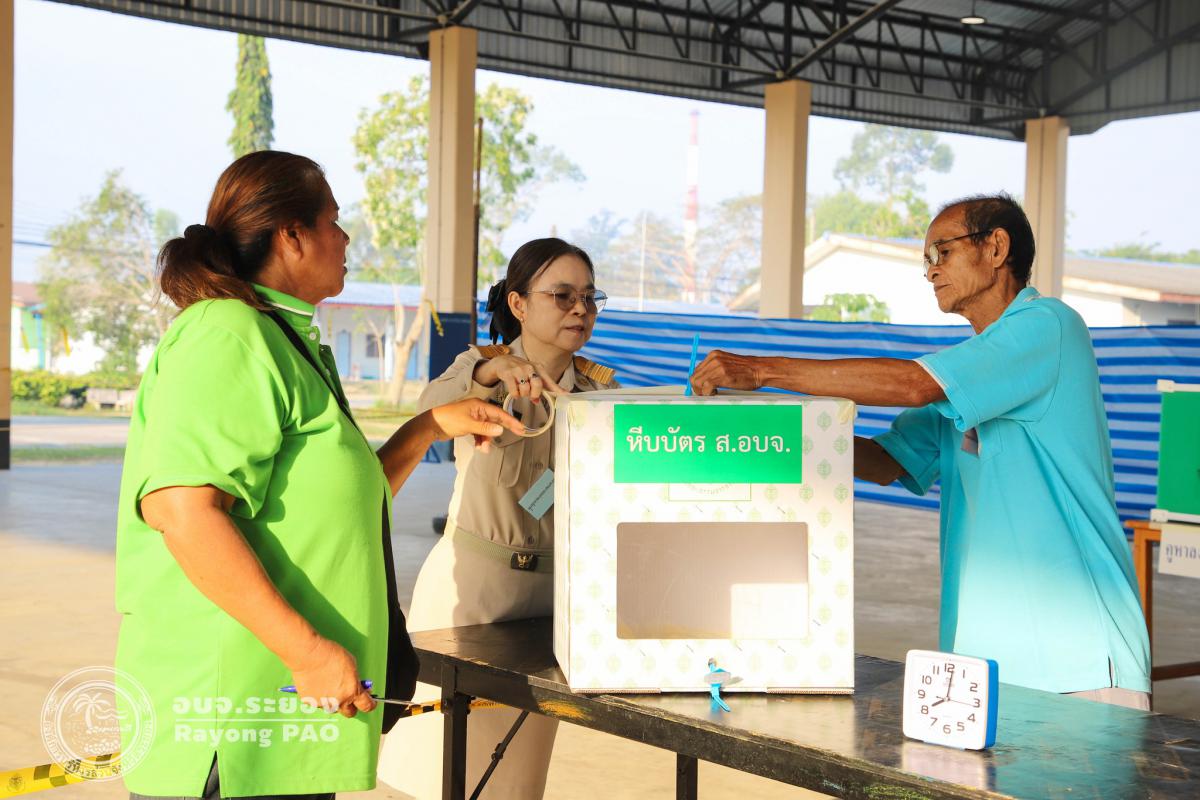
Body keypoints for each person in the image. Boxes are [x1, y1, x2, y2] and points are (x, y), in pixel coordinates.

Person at [115, 151, 524, 798]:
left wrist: (426, 429)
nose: (346, 237)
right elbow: (183, 512)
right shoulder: (228, 334)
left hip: (286, 715)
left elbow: (336, 507)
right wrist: (306, 651)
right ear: (292, 235)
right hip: (234, 718)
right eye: (333, 221)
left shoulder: (284, 339)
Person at [690, 193, 1151, 709]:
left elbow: (913, 384)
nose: (930, 271)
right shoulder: (971, 373)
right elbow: (886, 462)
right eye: (926, 260)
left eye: (941, 252)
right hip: (988, 662)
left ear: (996, 247)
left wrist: (762, 371)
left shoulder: (1049, 325)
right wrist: (765, 435)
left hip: (1078, 654)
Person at [378, 238, 619, 799]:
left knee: (513, 777)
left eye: (589, 297)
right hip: (471, 592)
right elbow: (430, 411)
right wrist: (491, 371)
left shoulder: (600, 396)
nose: (580, 309)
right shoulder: (478, 368)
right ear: (518, 304)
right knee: (436, 767)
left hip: (548, 606)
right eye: (562, 295)